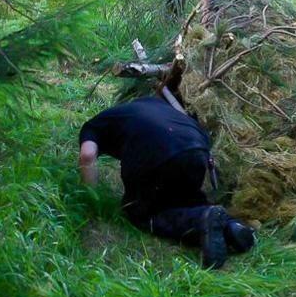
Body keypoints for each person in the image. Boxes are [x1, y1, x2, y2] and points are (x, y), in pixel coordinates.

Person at [78, 96, 255, 268]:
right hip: (197, 150)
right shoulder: (164, 108)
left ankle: (200, 220)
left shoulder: (96, 124)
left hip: (157, 155)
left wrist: (91, 201)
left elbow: (87, 155)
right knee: (188, 200)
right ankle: (231, 227)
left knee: (142, 213)